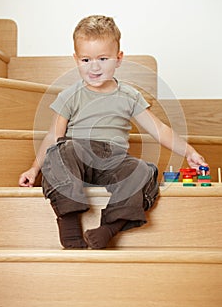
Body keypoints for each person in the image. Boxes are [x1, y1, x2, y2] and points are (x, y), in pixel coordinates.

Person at [19, 15, 208, 250]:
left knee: (144, 171)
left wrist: (189, 151)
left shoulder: (129, 96)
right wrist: (33, 168)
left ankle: (108, 229)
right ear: (76, 59)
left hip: (114, 160)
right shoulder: (70, 95)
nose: (94, 66)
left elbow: (159, 129)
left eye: (103, 58)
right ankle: (68, 227)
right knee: (59, 150)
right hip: (77, 153)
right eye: (86, 59)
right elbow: (52, 137)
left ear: (119, 59)